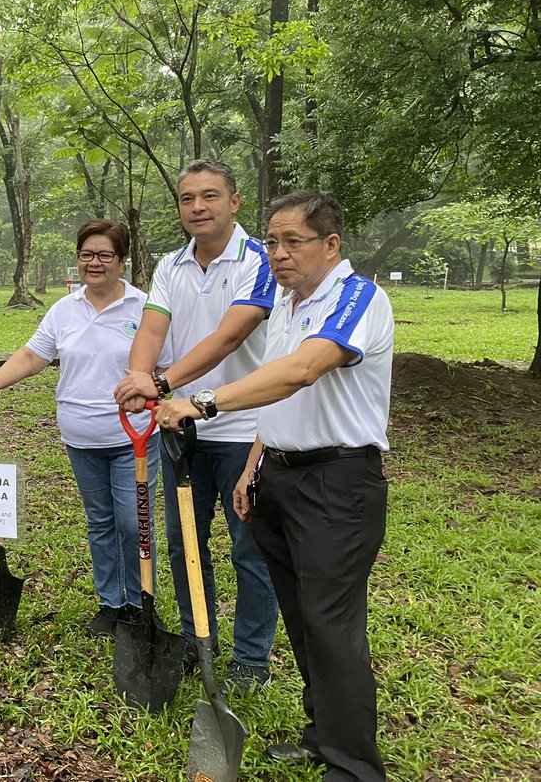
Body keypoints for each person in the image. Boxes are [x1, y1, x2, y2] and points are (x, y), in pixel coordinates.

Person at [156, 190, 393, 782]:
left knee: (331, 623)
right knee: (303, 616)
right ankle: (323, 736)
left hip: (338, 482)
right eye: (272, 242)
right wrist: (256, 463)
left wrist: (202, 402)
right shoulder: (288, 303)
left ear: (331, 244)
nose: (279, 254)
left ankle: (354, 765)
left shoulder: (358, 297)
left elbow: (301, 371)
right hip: (282, 476)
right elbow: (277, 389)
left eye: (294, 241)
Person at [114, 158, 279, 692]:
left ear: (234, 202)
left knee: (250, 548)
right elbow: (152, 327)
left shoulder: (260, 261)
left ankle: (251, 658)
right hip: (180, 429)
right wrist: (140, 375)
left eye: (210, 196)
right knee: (186, 542)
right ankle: (193, 637)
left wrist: (161, 385)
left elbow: (229, 337)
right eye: (188, 199)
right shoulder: (171, 264)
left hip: (245, 430)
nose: (198, 207)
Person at [0, 220, 162, 637]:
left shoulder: (146, 308)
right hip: (80, 437)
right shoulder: (64, 309)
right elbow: (33, 356)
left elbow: (167, 368)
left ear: (122, 261)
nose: (94, 263)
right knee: (100, 521)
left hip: (133, 437)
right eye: (87, 255)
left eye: (105, 255)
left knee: (132, 522)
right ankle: (111, 602)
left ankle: (141, 604)